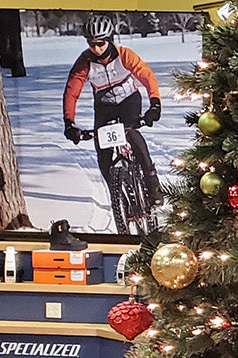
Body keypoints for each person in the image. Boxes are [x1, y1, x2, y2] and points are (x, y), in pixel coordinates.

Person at [63, 15, 164, 230]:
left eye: (101, 43)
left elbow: (147, 77)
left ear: (109, 39)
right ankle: (117, 194)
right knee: (102, 149)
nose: (97, 48)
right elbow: (72, 92)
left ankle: (152, 183)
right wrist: (69, 123)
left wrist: (154, 104)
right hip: (105, 106)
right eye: (92, 44)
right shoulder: (84, 63)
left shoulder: (125, 55)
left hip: (129, 100)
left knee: (131, 133)